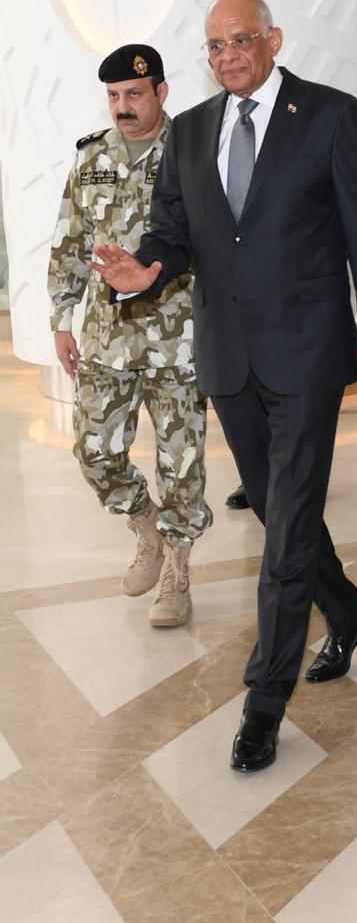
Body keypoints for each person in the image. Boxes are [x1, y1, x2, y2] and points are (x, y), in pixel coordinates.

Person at [89, 0, 357, 773]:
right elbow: (174, 231)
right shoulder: (192, 131)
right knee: (271, 504)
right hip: (227, 357)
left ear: (272, 40)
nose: (228, 56)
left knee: (286, 531)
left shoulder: (328, 113)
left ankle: (265, 699)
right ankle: (349, 614)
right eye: (215, 45)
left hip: (307, 351)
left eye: (240, 40)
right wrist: (145, 269)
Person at [48, 44, 212, 628]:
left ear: (161, 92)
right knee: (94, 451)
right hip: (106, 336)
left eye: (135, 94)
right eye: (114, 96)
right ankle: (147, 526)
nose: (123, 106)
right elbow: (70, 240)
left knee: (181, 460)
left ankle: (178, 570)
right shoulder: (91, 156)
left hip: (178, 336)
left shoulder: (194, 151)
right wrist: (61, 319)